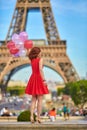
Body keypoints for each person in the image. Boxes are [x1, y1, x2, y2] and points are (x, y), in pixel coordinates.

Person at [25, 47, 49, 123]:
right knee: (40, 101)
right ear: (38, 53)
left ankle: (31, 116)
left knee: (33, 100)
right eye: (40, 52)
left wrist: (28, 49)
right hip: (39, 79)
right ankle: (38, 117)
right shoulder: (40, 59)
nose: (41, 53)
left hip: (33, 78)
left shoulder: (31, 60)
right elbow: (40, 69)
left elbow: (28, 53)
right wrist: (44, 80)